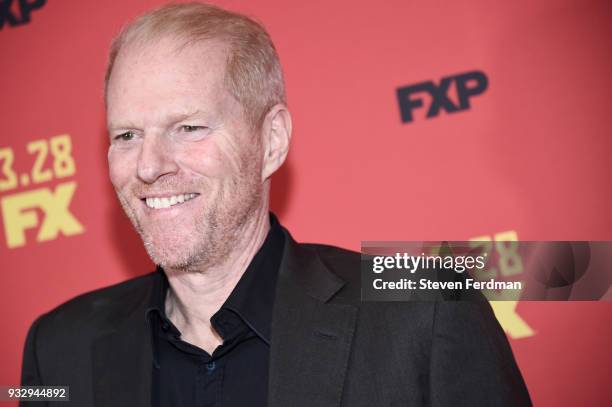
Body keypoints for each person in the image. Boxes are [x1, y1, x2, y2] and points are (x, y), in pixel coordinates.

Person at [20, 3, 531, 406]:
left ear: (272, 141)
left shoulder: (428, 309)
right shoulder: (58, 348)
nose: (150, 166)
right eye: (127, 134)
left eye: (189, 127)